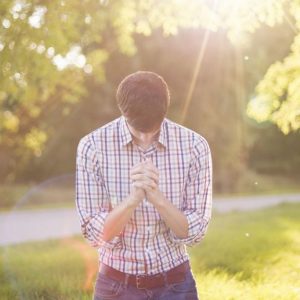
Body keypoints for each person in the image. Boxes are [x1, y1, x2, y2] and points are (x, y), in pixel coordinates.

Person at [75, 71, 213, 300]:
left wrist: (157, 198)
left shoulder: (194, 147)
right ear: (123, 112)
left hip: (176, 284)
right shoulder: (93, 147)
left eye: (154, 129)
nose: (146, 139)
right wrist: (132, 201)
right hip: (116, 285)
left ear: (165, 110)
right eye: (138, 130)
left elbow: (195, 233)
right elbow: (93, 234)